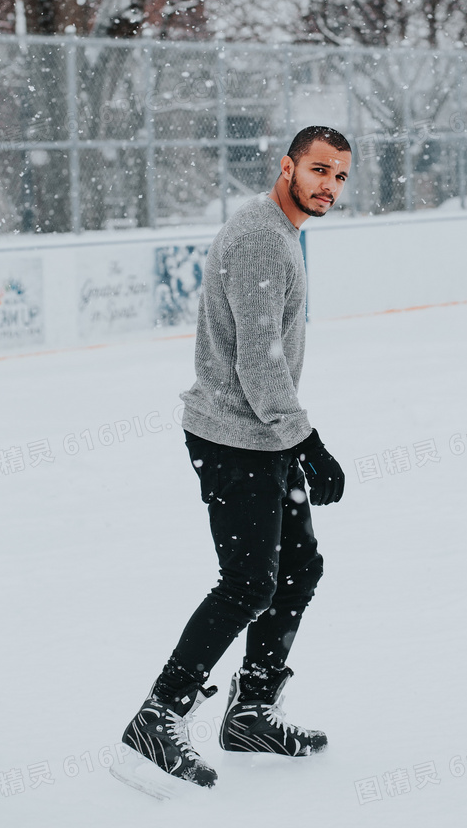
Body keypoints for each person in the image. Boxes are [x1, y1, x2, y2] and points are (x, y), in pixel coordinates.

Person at [111, 125, 352, 799]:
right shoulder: (260, 239)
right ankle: (159, 715)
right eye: (319, 170)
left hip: (263, 436)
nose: (329, 185)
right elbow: (258, 361)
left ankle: (249, 711)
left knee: (298, 567)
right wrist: (309, 441)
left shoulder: (282, 235)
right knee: (248, 582)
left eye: (340, 176)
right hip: (232, 437)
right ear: (287, 167)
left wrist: (292, 439)